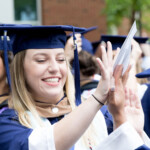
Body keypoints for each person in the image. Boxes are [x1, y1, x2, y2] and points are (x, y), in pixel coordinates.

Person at [0, 24, 148, 150]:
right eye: (41, 60)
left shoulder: (102, 115)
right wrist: (96, 99)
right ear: (20, 70)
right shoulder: (8, 124)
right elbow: (43, 144)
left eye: (60, 59)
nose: (54, 68)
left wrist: (125, 124)